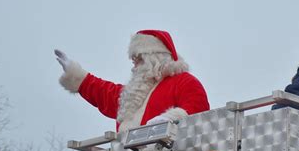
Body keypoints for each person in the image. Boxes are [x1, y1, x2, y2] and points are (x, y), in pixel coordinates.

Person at [55, 29, 210, 132]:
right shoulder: (133, 93)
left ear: (155, 57)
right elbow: (104, 93)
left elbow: (198, 113)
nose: (134, 64)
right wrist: (77, 75)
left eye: (139, 58)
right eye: (133, 59)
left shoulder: (184, 82)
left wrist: (168, 120)